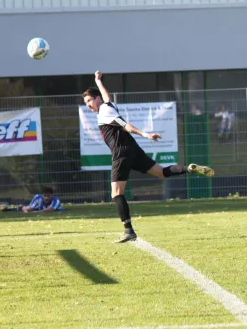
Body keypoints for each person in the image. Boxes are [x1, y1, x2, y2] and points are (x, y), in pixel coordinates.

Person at [83, 71, 214, 243]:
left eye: (89, 101)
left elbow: (125, 125)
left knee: (116, 193)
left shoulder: (105, 112)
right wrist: (98, 81)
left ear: (97, 99)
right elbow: (107, 98)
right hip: (133, 150)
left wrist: (145, 134)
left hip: (121, 152)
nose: (88, 105)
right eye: (86, 103)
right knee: (161, 172)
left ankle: (128, 230)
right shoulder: (108, 106)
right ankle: (188, 168)